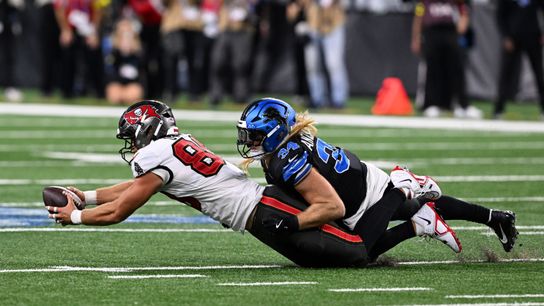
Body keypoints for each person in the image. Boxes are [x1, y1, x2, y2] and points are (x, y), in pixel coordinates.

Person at [48, 100, 429, 268]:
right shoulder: (171, 147)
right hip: (256, 211)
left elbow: (121, 210)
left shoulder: (158, 156)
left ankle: (401, 195)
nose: (132, 147)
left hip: (265, 208)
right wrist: (85, 196)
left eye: (133, 137)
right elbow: (131, 191)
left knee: (355, 253)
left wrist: (75, 218)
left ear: (148, 131)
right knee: (338, 258)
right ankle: (416, 218)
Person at [235, 97, 519, 260]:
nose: (250, 142)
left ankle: (405, 195)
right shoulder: (285, 147)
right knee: (411, 208)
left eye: (255, 135)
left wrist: (293, 222)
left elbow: (333, 207)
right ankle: (495, 217)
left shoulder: (288, 158)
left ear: (274, 132)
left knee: (359, 251)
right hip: (360, 183)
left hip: (363, 197)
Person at [411, 0, 482, 119]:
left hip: (450, 31)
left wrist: (463, 21)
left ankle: (462, 105)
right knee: (433, 68)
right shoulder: (424, 3)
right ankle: (431, 104)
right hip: (432, 31)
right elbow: (418, 14)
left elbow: (464, 9)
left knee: (456, 67)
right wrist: (416, 37)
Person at [494, 0, 544, 120]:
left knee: (539, 74)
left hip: (533, 37)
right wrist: (506, 36)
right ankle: (498, 110)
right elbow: (500, 15)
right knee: (505, 74)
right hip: (513, 38)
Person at [105, 18, 144, 105]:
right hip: (117, 83)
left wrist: (132, 51)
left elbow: (141, 70)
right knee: (115, 95)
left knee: (134, 93)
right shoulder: (113, 50)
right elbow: (110, 70)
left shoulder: (139, 51)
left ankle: (126, 97)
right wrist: (120, 51)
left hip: (132, 84)